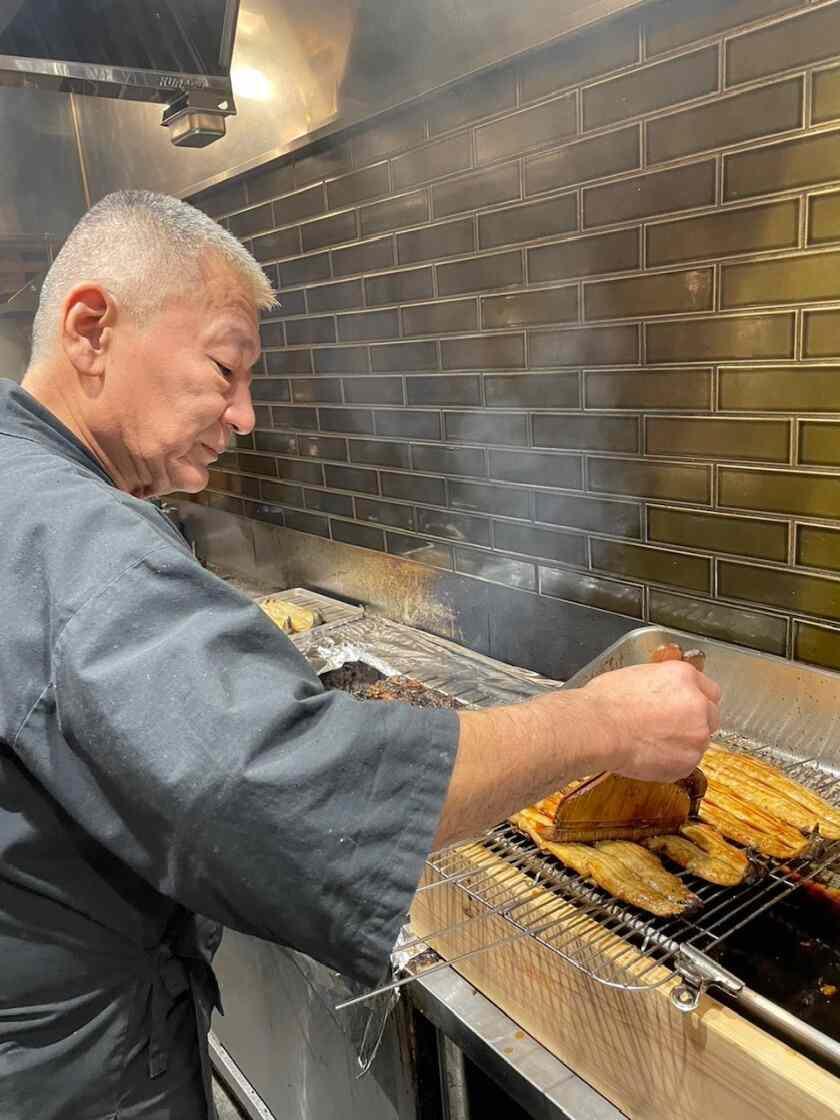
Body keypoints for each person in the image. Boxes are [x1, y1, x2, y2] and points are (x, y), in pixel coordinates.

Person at [0, 191, 720, 1120]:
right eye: (226, 367)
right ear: (91, 328)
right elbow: (281, 789)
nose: (246, 415)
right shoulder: (73, 533)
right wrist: (605, 720)